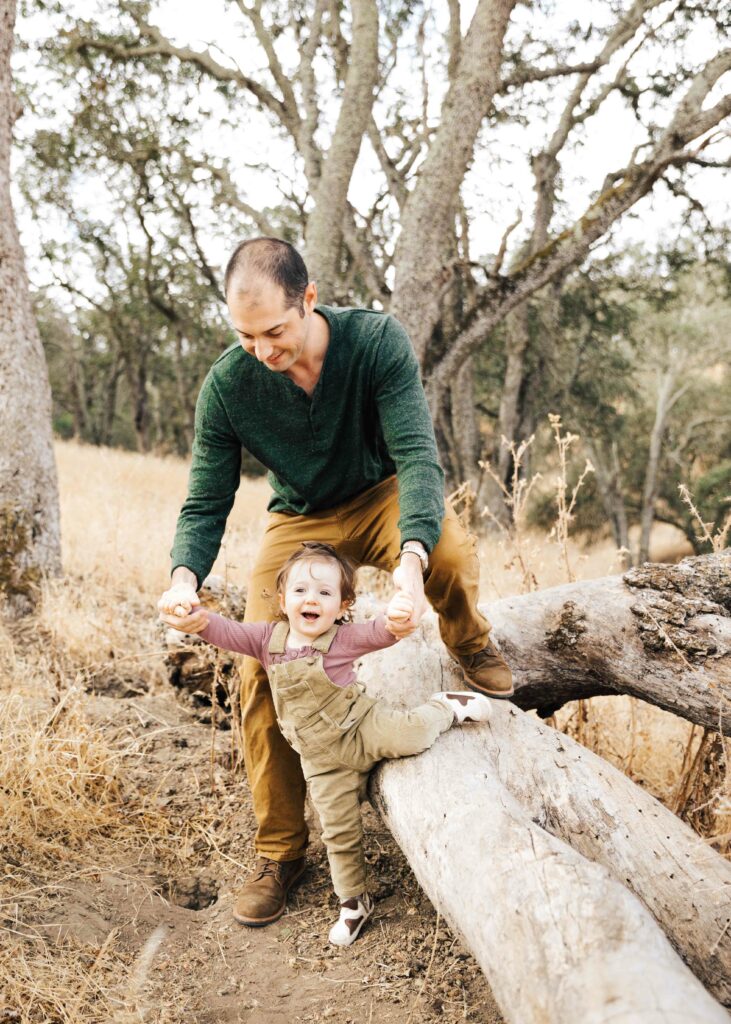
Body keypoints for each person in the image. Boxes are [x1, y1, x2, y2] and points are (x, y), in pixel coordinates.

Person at [158, 237, 512, 928]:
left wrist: (410, 563)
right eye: (244, 335)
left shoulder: (376, 342)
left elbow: (417, 456)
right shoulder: (228, 385)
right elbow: (204, 502)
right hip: (301, 521)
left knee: (446, 552)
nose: (260, 350)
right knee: (261, 666)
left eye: (273, 331)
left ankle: (470, 640)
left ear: (309, 299)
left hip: (382, 493)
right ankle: (281, 852)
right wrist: (183, 579)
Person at [161, 542, 492, 945]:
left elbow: (380, 632)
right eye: (300, 590)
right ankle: (353, 903)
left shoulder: (342, 639)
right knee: (338, 832)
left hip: (363, 728)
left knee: (412, 733)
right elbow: (226, 632)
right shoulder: (266, 640)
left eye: (324, 592)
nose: (311, 599)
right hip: (321, 761)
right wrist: (197, 621)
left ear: (342, 604)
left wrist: (396, 616)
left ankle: (446, 708)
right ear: (282, 600)